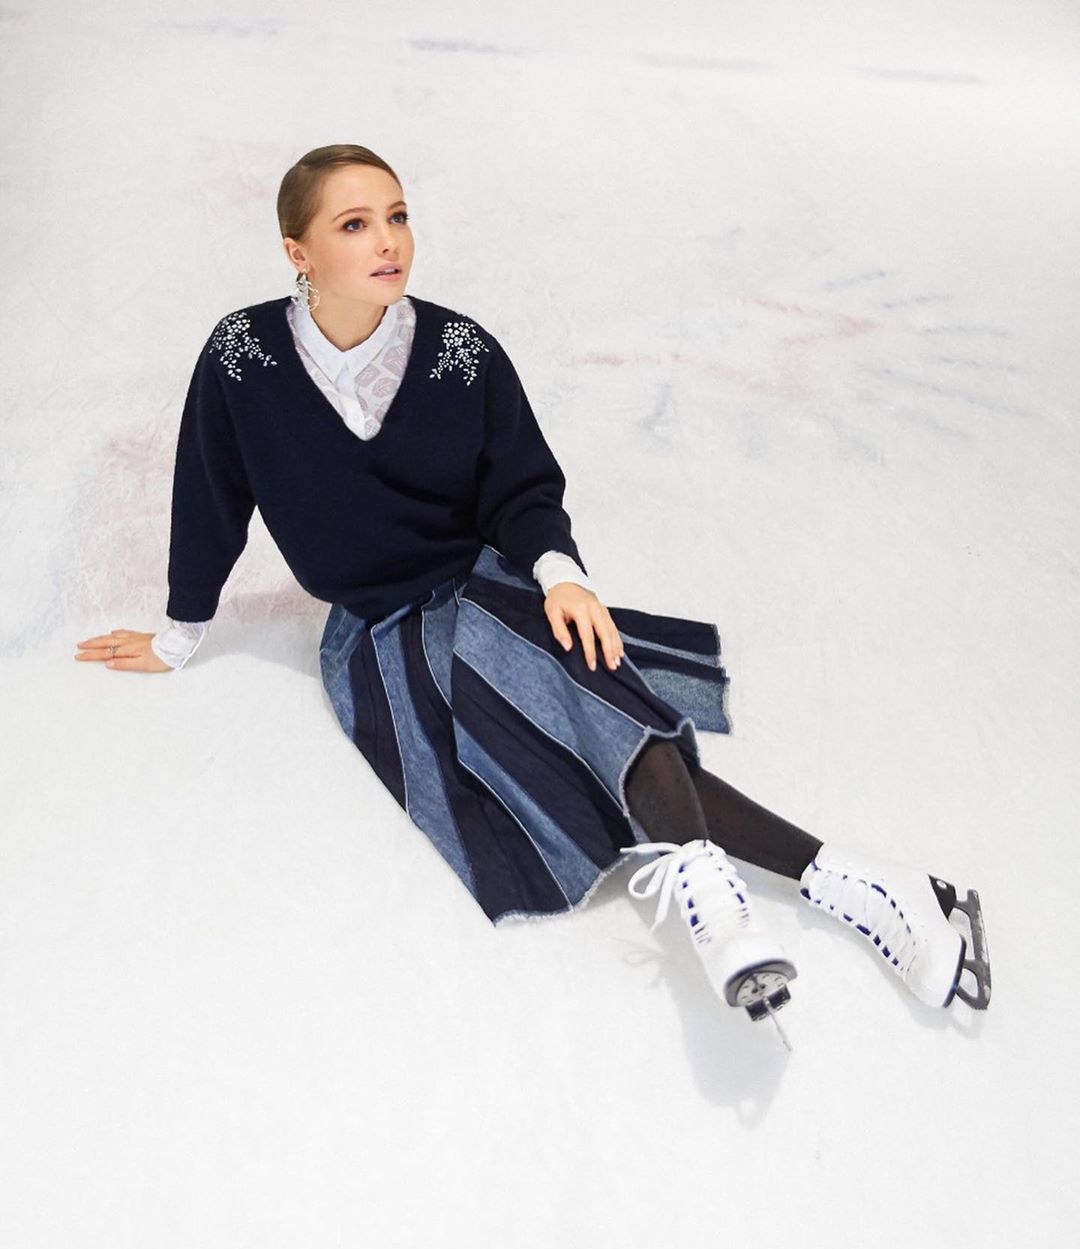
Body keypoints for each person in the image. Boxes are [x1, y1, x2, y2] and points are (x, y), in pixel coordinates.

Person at [74, 143, 991, 1042]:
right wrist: (181, 631)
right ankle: (874, 883)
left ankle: (735, 888)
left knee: (591, 694)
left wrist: (561, 576)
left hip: (488, 582)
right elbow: (210, 492)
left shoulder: (460, 352)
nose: (388, 241)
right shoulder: (243, 357)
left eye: (398, 216)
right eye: (354, 224)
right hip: (378, 633)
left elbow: (521, 490)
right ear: (297, 252)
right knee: (555, 755)